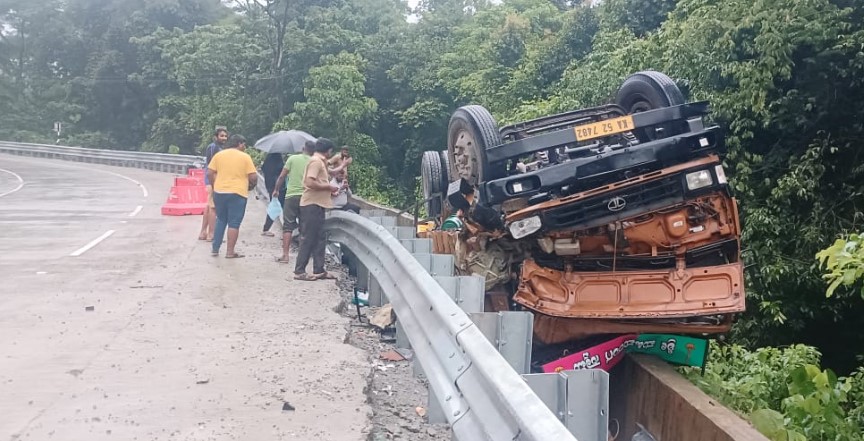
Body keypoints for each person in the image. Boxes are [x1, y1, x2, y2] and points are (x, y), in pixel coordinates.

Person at [294, 138, 339, 280]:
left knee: (319, 238)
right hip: (311, 205)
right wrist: (328, 187)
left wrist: (328, 190)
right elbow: (309, 182)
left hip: (318, 204)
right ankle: (299, 271)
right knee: (308, 238)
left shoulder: (320, 161)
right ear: (328, 150)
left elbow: (321, 178)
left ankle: (319, 269)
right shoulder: (316, 162)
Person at [207, 134, 257, 258]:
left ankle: (215, 249)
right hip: (238, 193)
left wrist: (214, 186)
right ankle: (230, 252)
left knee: (221, 219)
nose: (245, 147)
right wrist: (251, 185)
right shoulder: (245, 157)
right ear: (239, 144)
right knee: (234, 223)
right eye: (244, 144)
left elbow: (210, 173)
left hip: (219, 192)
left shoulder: (219, 155)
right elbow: (253, 176)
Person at [272, 140, 314, 263]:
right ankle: (302, 257)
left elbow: (282, 176)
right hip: (307, 197)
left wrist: (276, 189)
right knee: (304, 227)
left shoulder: (292, 159)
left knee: (288, 227)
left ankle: (285, 255)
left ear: (303, 148)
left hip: (291, 196)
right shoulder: (314, 161)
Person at [199, 127, 229, 241]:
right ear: (215, 137)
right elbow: (212, 166)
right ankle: (211, 234)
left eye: (225, 136)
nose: (224, 138)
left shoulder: (221, 148)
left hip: (213, 180)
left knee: (209, 206)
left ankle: (203, 232)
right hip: (213, 180)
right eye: (221, 136)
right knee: (213, 207)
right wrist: (214, 182)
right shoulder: (214, 147)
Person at [261, 152, 285, 237]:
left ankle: (266, 228)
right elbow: (282, 174)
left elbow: (263, 169)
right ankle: (267, 229)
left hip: (270, 186)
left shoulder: (268, 159)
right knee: (277, 208)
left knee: (275, 207)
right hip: (278, 188)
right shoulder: (278, 160)